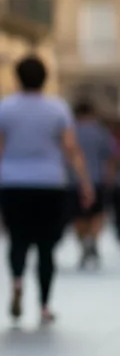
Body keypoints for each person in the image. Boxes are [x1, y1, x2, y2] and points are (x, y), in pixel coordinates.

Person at [0, 58, 94, 324]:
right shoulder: (57, 108)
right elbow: (70, 148)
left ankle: (16, 281)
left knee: (17, 239)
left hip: (12, 182)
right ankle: (45, 305)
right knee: (47, 247)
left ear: (17, 78)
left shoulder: (4, 107)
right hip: (50, 183)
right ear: (45, 79)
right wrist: (84, 182)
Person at [70, 99, 117, 268]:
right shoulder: (101, 132)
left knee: (77, 215)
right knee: (98, 213)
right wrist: (110, 177)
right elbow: (111, 157)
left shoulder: (70, 131)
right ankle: (93, 238)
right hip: (98, 178)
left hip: (73, 180)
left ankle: (84, 242)